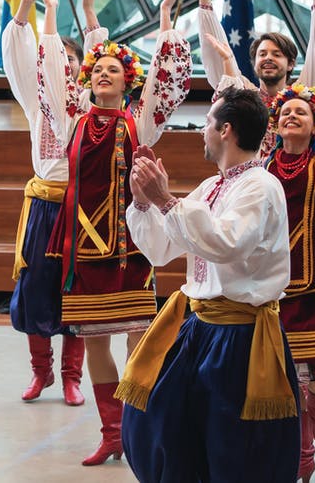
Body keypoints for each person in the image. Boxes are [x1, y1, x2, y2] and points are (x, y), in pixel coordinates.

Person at [36, 0, 192, 466]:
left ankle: (140, 425)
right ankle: (111, 433)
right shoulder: (71, 120)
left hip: (128, 248)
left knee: (139, 339)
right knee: (96, 341)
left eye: (112, 69)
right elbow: (49, 75)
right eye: (96, 68)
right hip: (82, 250)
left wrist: (166, 22)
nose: (103, 74)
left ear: (128, 81)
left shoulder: (138, 121)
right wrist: (54, 11)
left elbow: (167, 82)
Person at [120, 86, 299, 482]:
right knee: (163, 426)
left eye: (207, 122)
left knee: (232, 448)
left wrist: (166, 200)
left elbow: (226, 245)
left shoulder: (260, 186)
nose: (202, 130)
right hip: (199, 330)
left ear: (226, 131)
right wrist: (145, 202)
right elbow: (161, 249)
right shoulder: (211, 186)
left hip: (239, 337)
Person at [203, 32, 315, 481]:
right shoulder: (262, 167)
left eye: (302, 112)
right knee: (289, 378)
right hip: (275, 285)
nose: (293, 116)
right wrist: (225, 63)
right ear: (275, 125)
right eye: (285, 113)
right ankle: (301, 458)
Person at [2, 0, 104, 406]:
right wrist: (28, 5)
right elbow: (20, 51)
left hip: (82, 207)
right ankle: (40, 372)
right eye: (55, 56)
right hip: (44, 204)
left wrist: (87, 9)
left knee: (76, 289)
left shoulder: (92, 102)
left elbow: (106, 57)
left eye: (71, 58)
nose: (62, 63)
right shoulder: (35, 97)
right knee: (36, 286)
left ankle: (71, 377)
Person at [192, 0, 315, 159]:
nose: (268, 58)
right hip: (252, 184)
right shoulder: (245, 96)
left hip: (295, 184)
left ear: (291, 63)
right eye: (263, 54)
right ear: (255, 63)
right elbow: (217, 55)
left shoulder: (303, 97)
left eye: (276, 54)